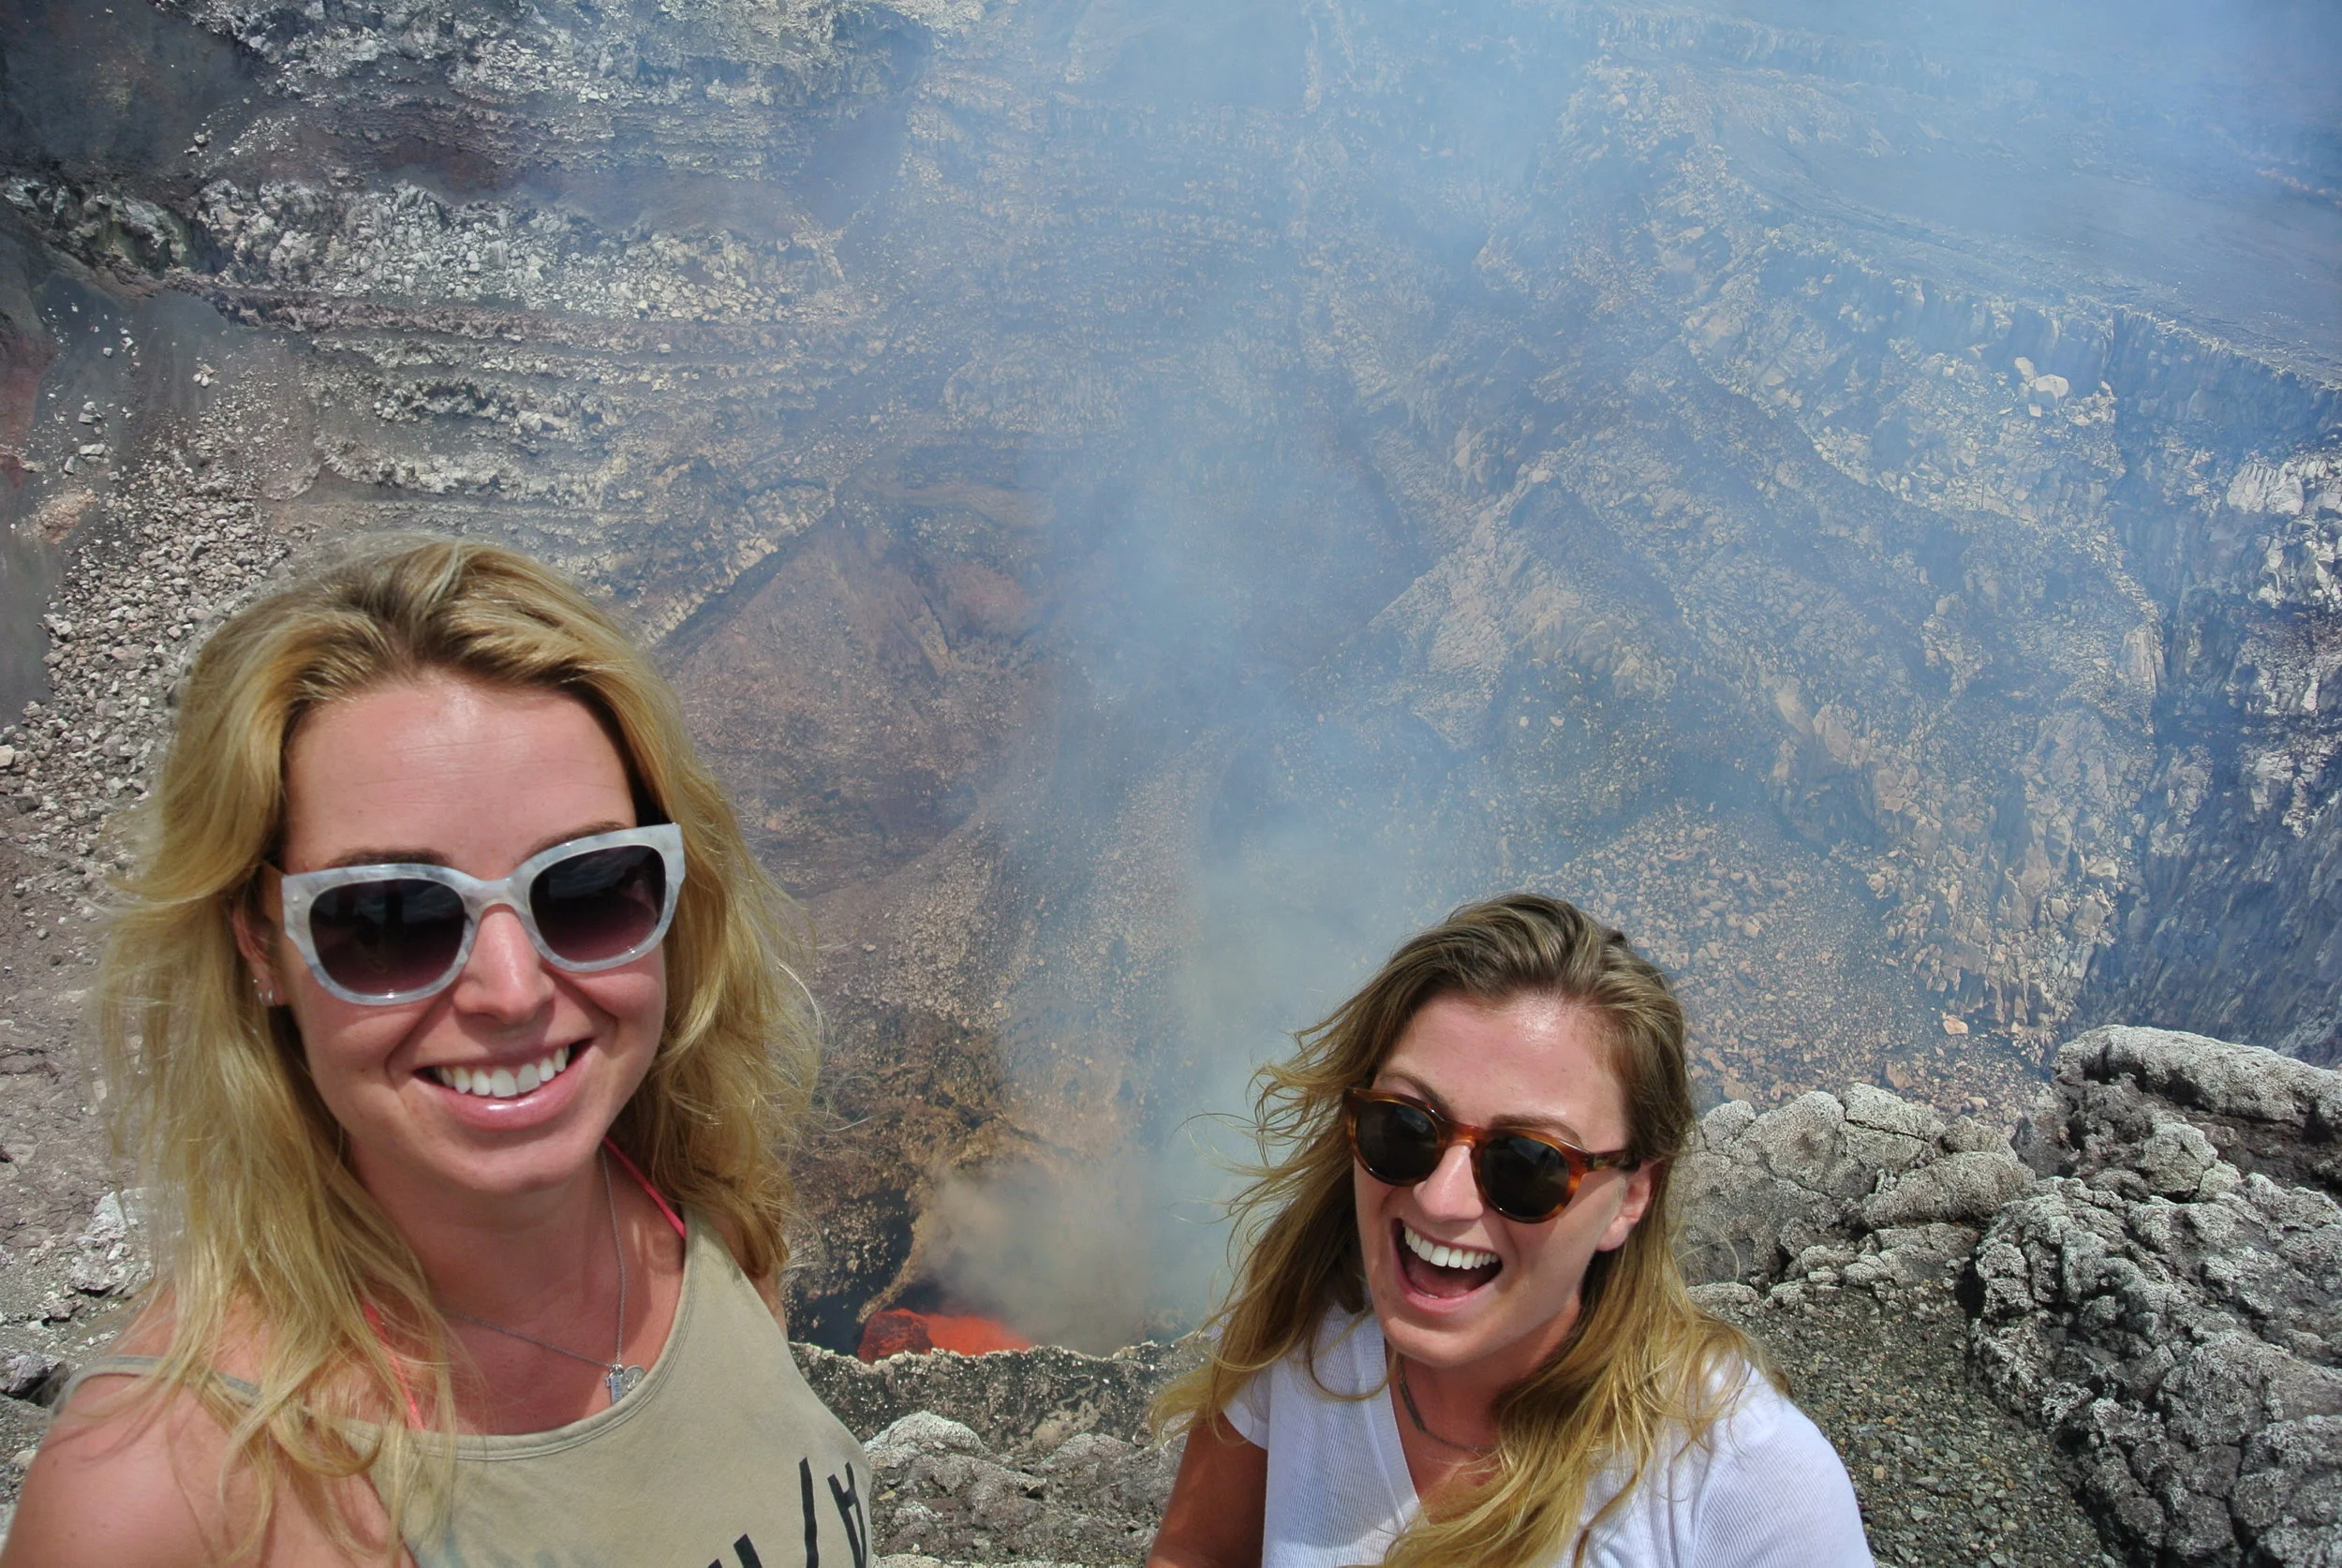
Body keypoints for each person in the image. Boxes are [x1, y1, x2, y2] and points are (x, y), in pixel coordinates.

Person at [3, 538, 871, 1567]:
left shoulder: (705, 1226)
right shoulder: (158, 1498)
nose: (512, 990)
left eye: (589, 888)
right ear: (260, 946)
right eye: (390, 918)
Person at [1147, 894, 1872, 1568]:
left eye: (1528, 1164)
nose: (1440, 1199)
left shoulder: (1743, 1483)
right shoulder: (1305, 1330)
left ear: (1632, 1196)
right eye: (1405, 1127)